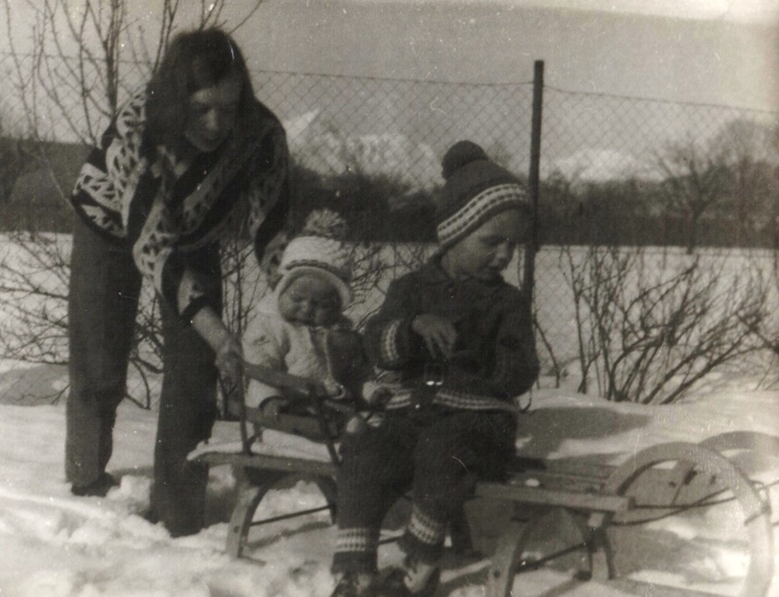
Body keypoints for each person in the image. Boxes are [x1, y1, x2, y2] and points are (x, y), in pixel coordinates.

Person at [64, 28, 289, 537]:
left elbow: (271, 229)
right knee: (100, 360)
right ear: (175, 99)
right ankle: (86, 482)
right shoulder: (141, 133)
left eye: (229, 108)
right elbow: (154, 250)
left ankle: (178, 508)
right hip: (112, 227)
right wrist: (217, 329)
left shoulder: (262, 136)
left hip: (195, 231)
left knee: (196, 370)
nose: (216, 123)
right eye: (202, 108)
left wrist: (295, 301)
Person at [329, 140, 540, 596]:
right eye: (491, 242)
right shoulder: (410, 289)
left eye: (512, 245)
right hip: (413, 414)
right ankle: (355, 571)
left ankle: (418, 565)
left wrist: (484, 360)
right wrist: (410, 329)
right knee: (366, 449)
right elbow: (375, 347)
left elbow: (522, 370)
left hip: (479, 425)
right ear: (453, 233)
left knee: (443, 448)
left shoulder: (507, 302)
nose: (503, 255)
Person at [241, 209, 367, 424]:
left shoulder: (341, 334)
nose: (307, 308)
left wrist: (369, 390)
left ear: (337, 306)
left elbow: (356, 374)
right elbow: (261, 368)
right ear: (281, 290)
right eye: (297, 299)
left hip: (330, 408)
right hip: (285, 408)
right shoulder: (271, 326)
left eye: (321, 304)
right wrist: (269, 400)